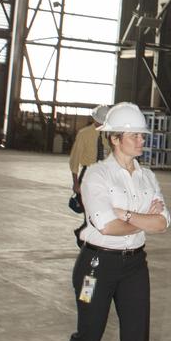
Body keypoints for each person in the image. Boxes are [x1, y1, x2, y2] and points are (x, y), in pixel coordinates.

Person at [53, 102, 170, 341]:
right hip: (97, 265)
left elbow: (163, 223)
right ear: (116, 139)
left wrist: (127, 214)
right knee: (89, 335)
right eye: (134, 135)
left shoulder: (148, 176)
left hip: (135, 266)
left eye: (141, 135)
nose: (141, 140)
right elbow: (106, 225)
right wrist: (139, 217)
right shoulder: (97, 175)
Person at [68, 105, 109, 246]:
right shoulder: (84, 134)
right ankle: (84, 239)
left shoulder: (109, 135)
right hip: (88, 175)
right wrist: (75, 183)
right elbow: (74, 159)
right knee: (90, 212)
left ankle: (83, 233)